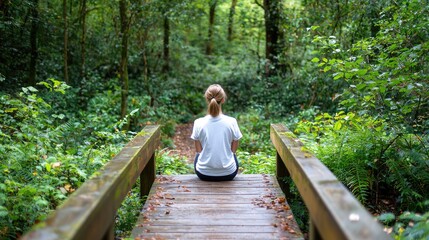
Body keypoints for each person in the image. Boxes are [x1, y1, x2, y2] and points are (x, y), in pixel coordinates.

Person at [190, 84, 242, 181]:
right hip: (229, 173)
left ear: (207, 99)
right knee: (232, 156)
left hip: (203, 174)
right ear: (223, 100)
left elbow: (199, 151)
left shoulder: (198, 122)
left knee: (198, 156)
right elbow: (233, 151)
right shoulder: (232, 122)